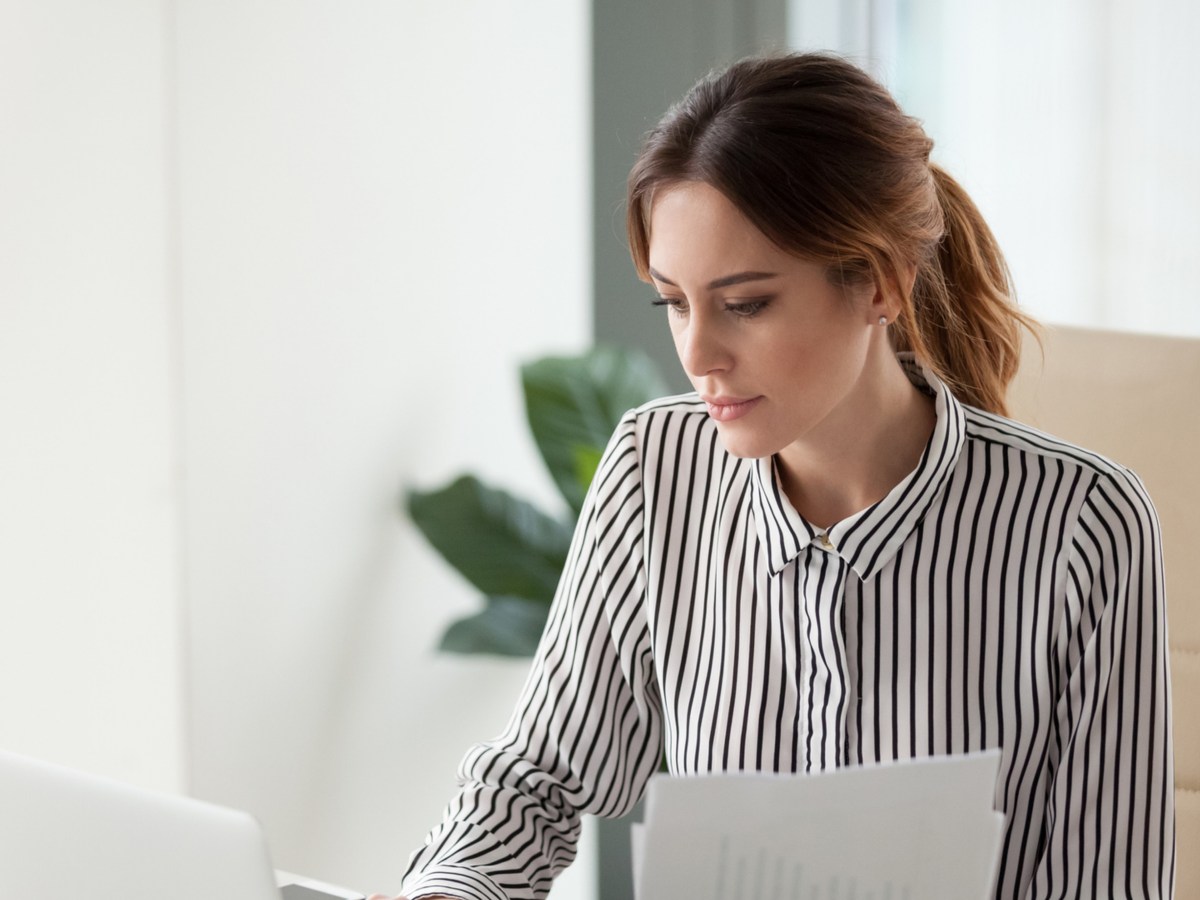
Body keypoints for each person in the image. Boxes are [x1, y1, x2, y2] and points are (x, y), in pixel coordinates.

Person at [385, 52, 1175, 900]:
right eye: (675, 303)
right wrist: (450, 889)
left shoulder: (1084, 523)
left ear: (879, 284)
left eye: (746, 303)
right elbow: (537, 782)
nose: (696, 355)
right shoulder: (657, 470)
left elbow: (1110, 881)